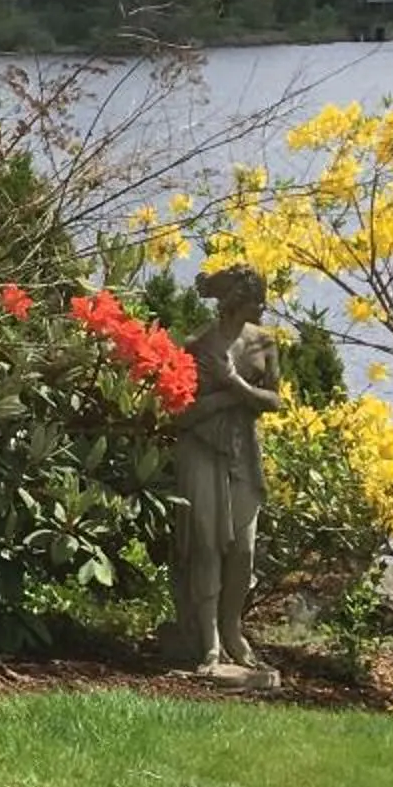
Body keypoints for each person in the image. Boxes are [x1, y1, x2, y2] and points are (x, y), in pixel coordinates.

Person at [170, 263, 282, 679]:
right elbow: (179, 415)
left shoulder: (264, 343)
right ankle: (210, 641)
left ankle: (233, 627)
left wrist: (233, 384)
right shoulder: (198, 345)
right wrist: (226, 400)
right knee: (206, 542)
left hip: (242, 452)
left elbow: (273, 401)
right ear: (237, 301)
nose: (264, 306)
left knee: (244, 549)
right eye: (257, 299)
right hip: (200, 448)